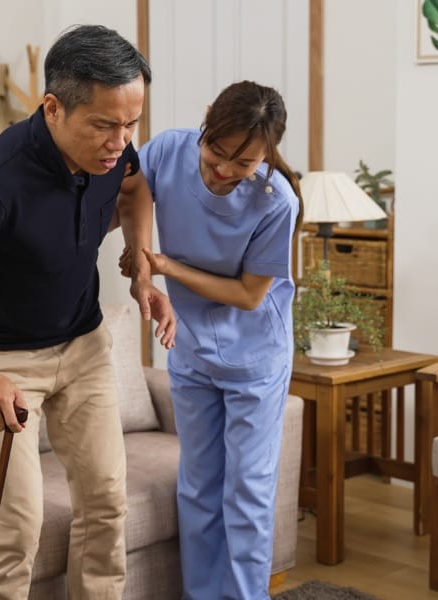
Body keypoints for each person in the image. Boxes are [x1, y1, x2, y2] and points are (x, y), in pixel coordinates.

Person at [0, 24, 174, 600]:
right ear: (53, 107)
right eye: (104, 124)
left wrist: (139, 259)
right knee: (15, 527)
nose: (120, 140)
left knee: (106, 503)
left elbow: (135, 186)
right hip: (4, 363)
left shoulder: (112, 153)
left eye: (132, 123)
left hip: (85, 348)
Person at [118, 80, 303, 599]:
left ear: (267, 155)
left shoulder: (276, 201)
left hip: (255, 358)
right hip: (191, 349)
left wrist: (165, 265)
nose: (222, 171)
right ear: (205, 122)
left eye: (242, 164)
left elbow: (248, 294)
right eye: (216, 151)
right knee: (198, 488)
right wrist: (139, 260)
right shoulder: (166, 151)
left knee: (246, 492)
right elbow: (127, 200)